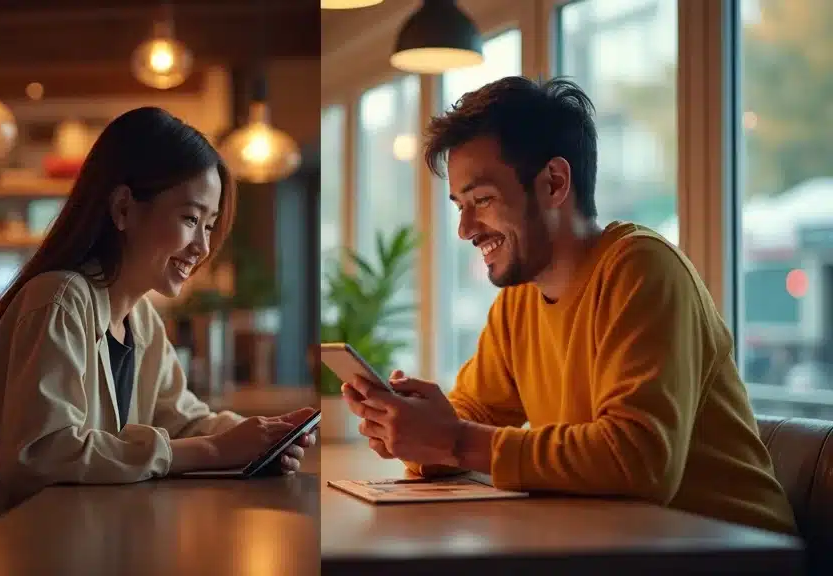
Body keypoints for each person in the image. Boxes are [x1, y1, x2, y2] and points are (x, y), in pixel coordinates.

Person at [341, 76, 796, 536]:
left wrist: (452, 441)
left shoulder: (641, 268)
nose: (465, 229)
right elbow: (473, 416)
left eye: (482, 200)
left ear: (554, 183)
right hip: (625, 544)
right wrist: (409, 430)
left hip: (735, 549)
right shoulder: (519, 298)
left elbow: (639, 461)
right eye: (460, 204)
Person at [0, 107, 317, 570]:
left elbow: (181, 419)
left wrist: (260, 438)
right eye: (191, 218)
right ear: (122, 208)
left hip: (52, 550)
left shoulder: (141, 319)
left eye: (210, 224)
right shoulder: (59, 299)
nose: (202, 247)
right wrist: (215, 450)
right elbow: (39, 459)